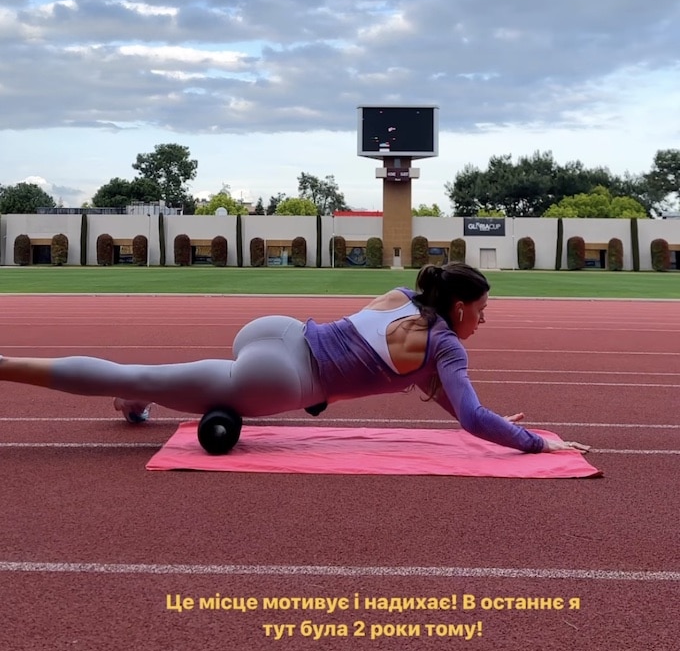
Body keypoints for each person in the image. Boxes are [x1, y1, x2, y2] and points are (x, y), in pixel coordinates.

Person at [0, 262, 589, 454]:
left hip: (277, 331)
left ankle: (137, 397)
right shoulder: (446, 347)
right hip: (281, 379)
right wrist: (538, 444)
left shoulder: (405, 296)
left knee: (149, 379)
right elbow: (470, 417)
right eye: (482, 310)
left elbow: (448, 401)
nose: (484, 320)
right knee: (147, 377)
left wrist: (499, 422)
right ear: (459, 308)